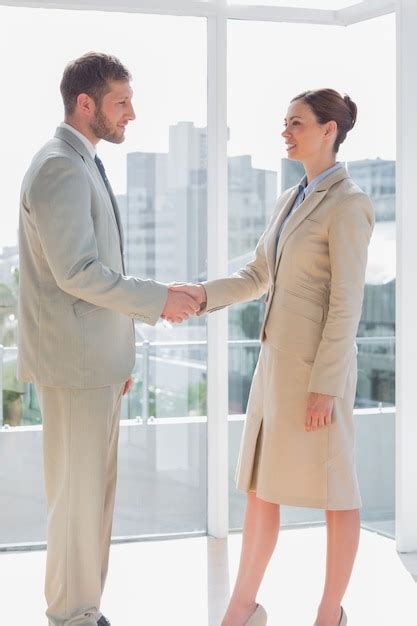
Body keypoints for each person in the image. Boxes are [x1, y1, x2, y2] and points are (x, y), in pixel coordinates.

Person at [170, 89, 375, 626]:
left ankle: (330, 614)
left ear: (329, 130)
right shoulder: (290, 199)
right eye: (285, 122)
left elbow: (348, 302)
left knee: (337, 490)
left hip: (315, 375)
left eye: (297, 123)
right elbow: (258, 275)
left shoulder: (349, 203)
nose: (286, 132)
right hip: (275, 370)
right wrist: (201, 294)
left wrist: (326, 385)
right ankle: (242, 607)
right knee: (261, 485)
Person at [17, 52, 199, 626]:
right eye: (122, 102)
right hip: (74, 368)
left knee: (91, 502)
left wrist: (119, 351)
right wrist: (157, 300)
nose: (132, 113)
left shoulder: (83, 162)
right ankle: (72, 615)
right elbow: (77, 272)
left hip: (94, 364)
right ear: (85, 103)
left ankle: (84, 610)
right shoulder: (59, 167)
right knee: (77, 503)